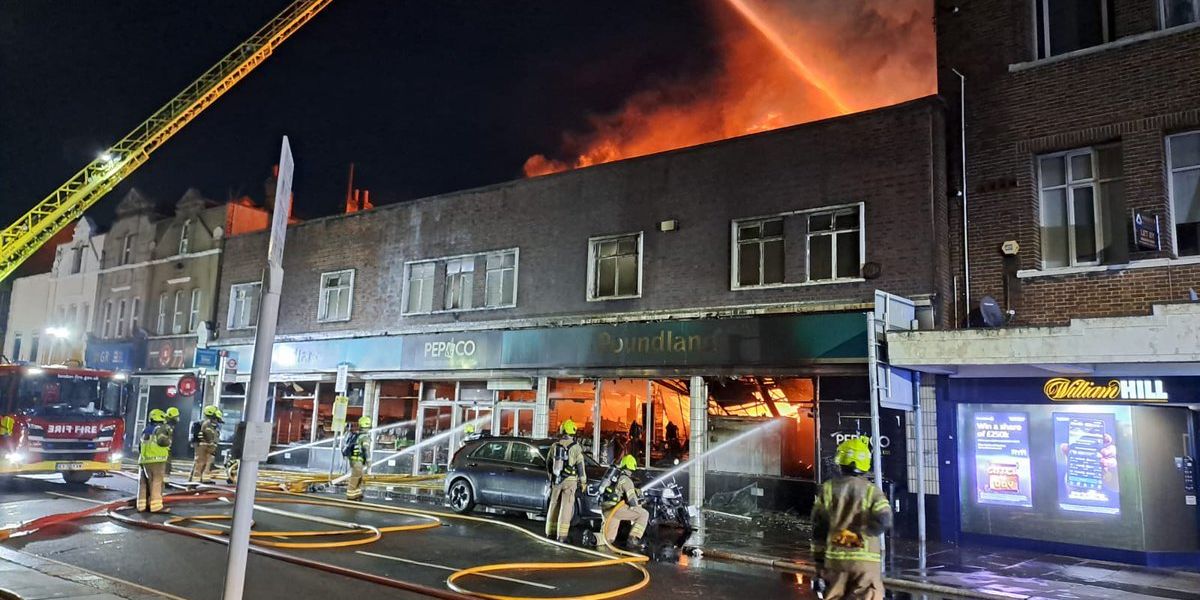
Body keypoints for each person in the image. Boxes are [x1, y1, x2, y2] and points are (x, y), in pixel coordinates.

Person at [810, 436, 893, 600]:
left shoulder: (828, 489)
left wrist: (819, 565)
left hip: (835, 563)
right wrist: (862, 534)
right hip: (865, 563)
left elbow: (818, 529)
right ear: (865, 463)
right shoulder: (871, 491)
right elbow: (884, 519)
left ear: (841, 462)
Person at [545, 419, 586, 542]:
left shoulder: (555, 446)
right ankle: (562, 536)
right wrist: (583, 482)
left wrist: (552, 477)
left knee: (553, 505)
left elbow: (548, 463)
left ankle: (550, 532)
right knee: (566, 507)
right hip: (570, 481)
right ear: (573, 432)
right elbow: (580, 466)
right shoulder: (576, 448)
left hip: (557, 481)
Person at [601, 454, 649, 551]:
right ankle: (633, 539)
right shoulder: (626, 480)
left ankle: (592, 538)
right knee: (644, 514)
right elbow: (632, 501)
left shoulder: (616, 477)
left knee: (608, 539)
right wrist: (640, 503)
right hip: (616, 509)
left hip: (607, 509)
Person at [137, 409, 174, 513]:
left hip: (144, 461)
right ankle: (156, 506)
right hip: (157, 460)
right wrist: (169, 440)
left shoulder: (146, 430)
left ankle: (141, 505)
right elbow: (162, 441)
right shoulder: (160, 429)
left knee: (144, 483)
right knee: (157, 482)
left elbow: (140, 446)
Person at [189, 405, 223, 483]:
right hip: (203, 446)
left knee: (205, 464)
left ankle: (203, 480)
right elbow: (202, 436)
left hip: (206, 446)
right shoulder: (202, 424)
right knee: (200, 464)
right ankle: (195, 482)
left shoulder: (208, 424)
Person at [345, 416, 372, 501]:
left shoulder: (358, 435)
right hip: (358, 461)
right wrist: (369, 461)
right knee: (355, 477)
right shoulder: (365, 437)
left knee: (359, 477)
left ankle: (357, 493)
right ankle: (350, 495)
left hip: (354, 460)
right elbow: (366, 449)